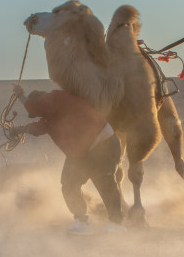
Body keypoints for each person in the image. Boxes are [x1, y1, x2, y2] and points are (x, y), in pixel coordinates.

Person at [11, 84, 125, 235]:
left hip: (103, 145)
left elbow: (36, 107)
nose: (39, 115)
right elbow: (39, 127)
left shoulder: (55, 97)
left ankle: (117, 224)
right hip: (84, 152)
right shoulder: (51, 115)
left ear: (41, 98)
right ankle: (82, 222)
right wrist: (19, 130)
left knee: (104, 181)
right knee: (69, 184)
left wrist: (20, 95)